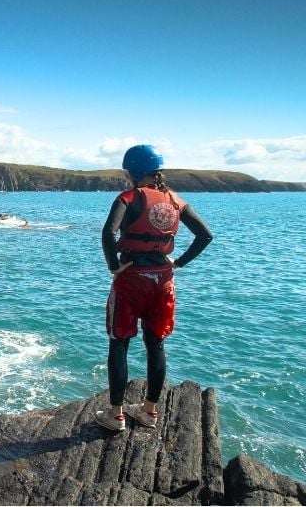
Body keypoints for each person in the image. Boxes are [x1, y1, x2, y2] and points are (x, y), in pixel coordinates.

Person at [95, 144, 213, 432]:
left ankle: (116, 416)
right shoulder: (175, 200)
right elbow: (205, 235)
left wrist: (113, 266)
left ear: (133, 172)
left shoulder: (127, 197)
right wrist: (178, 263)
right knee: (155, 343)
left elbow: (109, 233)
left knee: (119, 343)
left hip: (132, 280)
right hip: (162, 281)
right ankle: (149, 412)